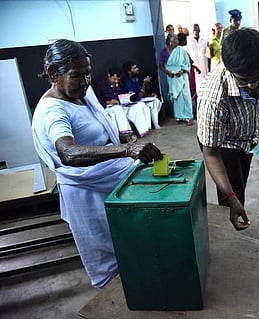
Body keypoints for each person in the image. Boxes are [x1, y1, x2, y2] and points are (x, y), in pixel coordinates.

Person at [31, 39, 163, 288]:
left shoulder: (81, 94)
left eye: (87, 73)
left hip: (110, 176)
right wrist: (126, 149)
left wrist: (117, 137)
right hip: (87, 192)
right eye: (76, 75)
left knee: (129, 240)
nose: (85, 80)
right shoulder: (53, 111)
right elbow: (68, 153)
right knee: (105, 253)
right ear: (53, 74)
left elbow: (93, 127)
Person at [196, 29, 259, 231]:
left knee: (240, 183)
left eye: (258, 77)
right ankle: (231, 228)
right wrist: (230, 197)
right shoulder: (213, 98)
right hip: (222, 142)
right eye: (244, 80)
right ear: (228, 69)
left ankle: (235, 203)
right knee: (232, 194)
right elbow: (210, 154)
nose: (253, 85)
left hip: (247, 135)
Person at [94, 67, 152, 137]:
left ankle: (143, 130)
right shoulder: (101, 85)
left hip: (121, 105)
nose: (116, 82)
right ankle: (125, 133)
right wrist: (108, 102)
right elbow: (97, 100)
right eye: (114, 79)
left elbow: (122, 95)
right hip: (109, 107)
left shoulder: (120, 84)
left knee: (138, 106)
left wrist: (127, 95)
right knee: (118, 109)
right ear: (109, 75)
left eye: (117, 80)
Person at [159, 33, 194, 125]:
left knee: (185, 95)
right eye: (175, 40)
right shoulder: (164, 52)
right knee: (176, 96)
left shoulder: (181, 50)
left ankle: (188, 116)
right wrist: (168, 73)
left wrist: (182, 71)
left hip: (182, 75)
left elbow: (187, 63)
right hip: (171, 77)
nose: (178, 42)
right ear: (170, 42)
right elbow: (161, 66)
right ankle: (179, 116)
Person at [122, 60, 163, 129]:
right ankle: (147, 127)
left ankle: (156, 124)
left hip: (141, 99)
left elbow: (142, 93)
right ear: (129, 71)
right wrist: (144, 84)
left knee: (155, 101)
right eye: (134, 68)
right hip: (133, 103)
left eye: (136, 67)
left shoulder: (137, 78)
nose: (137, 69)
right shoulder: (127, 82)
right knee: (144, 106)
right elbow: (137, 98)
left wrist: (150, 95)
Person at [178, 32, 200, 118]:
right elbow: (189, 61)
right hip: (187, 74)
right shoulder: (181, 51)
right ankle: (193, 112)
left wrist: (195, 67)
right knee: (191, 93)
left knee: (191, 92)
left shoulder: (181, 50)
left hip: (190, 72)